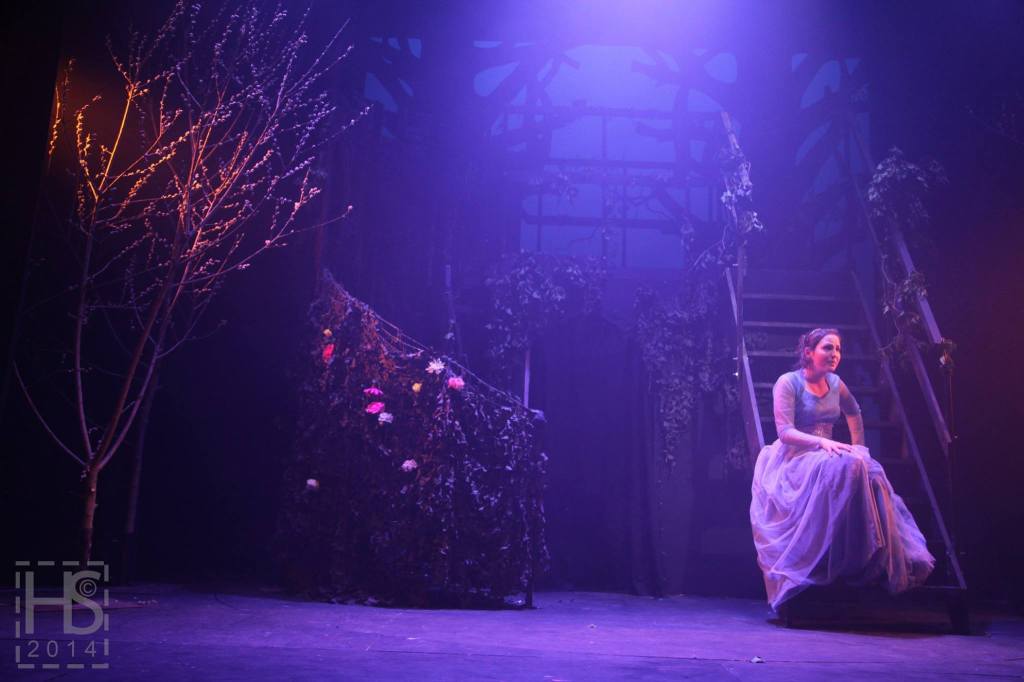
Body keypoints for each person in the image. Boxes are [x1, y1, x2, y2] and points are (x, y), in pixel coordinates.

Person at [749, 327, 935, 611]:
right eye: (828, 348)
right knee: (845, 468)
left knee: (867, 469)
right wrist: (822, 444)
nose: (834, 354)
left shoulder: (836, 384)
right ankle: (828, 558)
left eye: (838, 349)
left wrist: (859, 446)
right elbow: (785, 431)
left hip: (828, 451)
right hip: (796, 456)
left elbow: (854, 412)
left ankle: (865, 557)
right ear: (808, 353)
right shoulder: (788, 383)